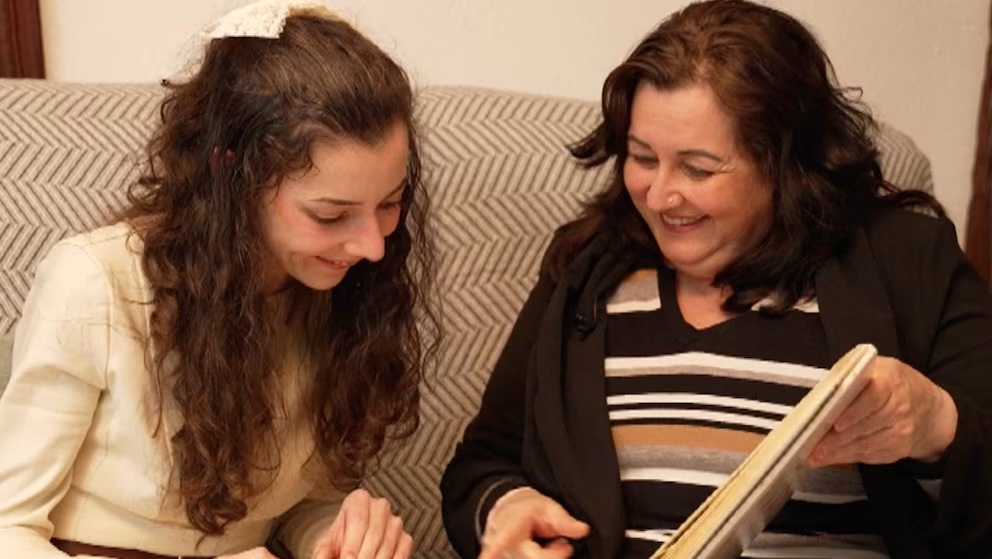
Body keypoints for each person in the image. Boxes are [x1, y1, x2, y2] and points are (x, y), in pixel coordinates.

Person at [440, 1, 992, 558]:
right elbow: (483, 464)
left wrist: (938, 426)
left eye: (698, 168)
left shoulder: (908, 259)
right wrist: (505, 508)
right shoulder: (587, 269)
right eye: (642, 158)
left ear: (784, 165)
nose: (660, 196)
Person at [0, 1, 439, 558]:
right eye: (330, 216)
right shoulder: (96, 282)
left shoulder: (337, 292)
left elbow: (298, 503)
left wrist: (340, 540)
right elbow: (7, 529)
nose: (373, 246)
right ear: (234, 176)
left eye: (390, 203)